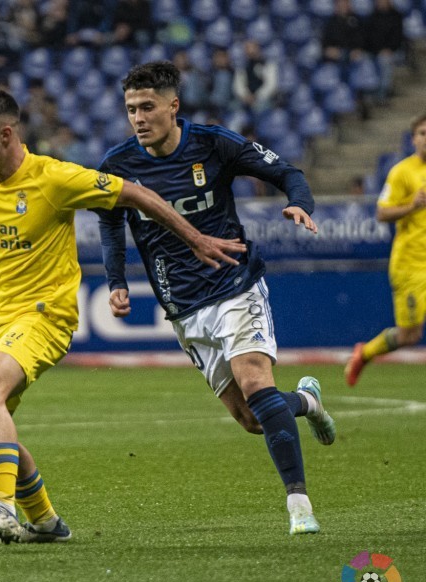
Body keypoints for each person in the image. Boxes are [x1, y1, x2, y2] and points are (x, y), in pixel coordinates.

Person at [0, 88, 245, 544]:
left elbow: (138, 195)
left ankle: (3, 507)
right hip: (1, 319)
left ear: (6, 135)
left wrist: (196, 239)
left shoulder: (54, 179)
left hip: (47, 315)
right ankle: (48, 522)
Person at [95, 61, 337, 536]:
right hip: (182, 305)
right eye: (131, 109)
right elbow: (109, 221)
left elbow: (287, 171)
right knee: (251, 419)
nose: (139, 118)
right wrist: (116, 279)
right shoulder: (118, 165)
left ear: (173, 106)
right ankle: (307, 402)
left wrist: (300, 203)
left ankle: (300, 506)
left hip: (234, 284)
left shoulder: (213, 143)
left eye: (147, 107)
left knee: (254, 383)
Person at [345, 112, 426, 386]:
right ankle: (364, 353)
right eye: (422, 134)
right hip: (411, 265)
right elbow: (381, 214)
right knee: (409, 336)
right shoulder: (402, 172)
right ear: (413, 139)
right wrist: (412, 206)